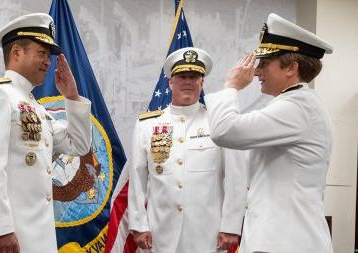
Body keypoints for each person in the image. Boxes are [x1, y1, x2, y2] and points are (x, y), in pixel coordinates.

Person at [206, 13, 334, 253]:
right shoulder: (292, 104)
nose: (256, 72)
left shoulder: (297, 107)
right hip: (278, 240)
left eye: (264, 64)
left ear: (291, 68)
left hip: (287, 242)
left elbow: (224, 130)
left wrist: (231, 86)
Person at [0, 13, 92, 253]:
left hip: (37, 240)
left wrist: (72, 98)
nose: (48, 62)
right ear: (16, 53)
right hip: (7, 240)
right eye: (42, 53)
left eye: (49, 56)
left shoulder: (36, 107)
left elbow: (78, 145)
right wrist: (1, 230)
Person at [128, 47, 247, 253]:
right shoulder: (147, 125)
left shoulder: (219, 122)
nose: (188, 82)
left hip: (208, 233)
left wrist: (231, 226)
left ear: (202, 82)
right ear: (170, 82)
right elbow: (137, 177)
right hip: (160, 232)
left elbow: (236, 177)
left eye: (194, 77)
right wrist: (138, 224)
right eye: (182, 76)